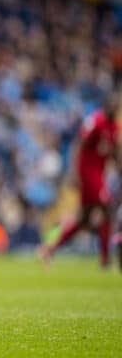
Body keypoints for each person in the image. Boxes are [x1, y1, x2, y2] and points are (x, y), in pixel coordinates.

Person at [38, 93, 120, 269]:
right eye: (113, 106)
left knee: (83, 219)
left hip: (99, 174)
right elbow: (79, 144)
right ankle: (105, 260)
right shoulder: (95, 122)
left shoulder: (114, 127)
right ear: (106, 106)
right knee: (106, 207)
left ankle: (49, 249)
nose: (115, 109)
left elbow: (113, 154)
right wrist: (74, 173)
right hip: (88, 173)